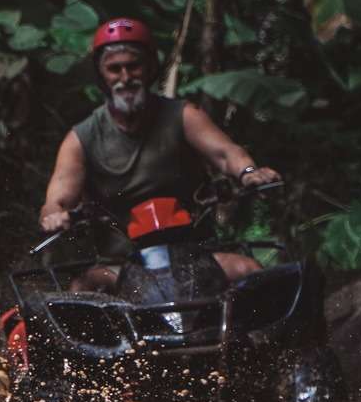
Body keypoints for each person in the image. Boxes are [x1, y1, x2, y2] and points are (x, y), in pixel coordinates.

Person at [38, 17, 281, 285]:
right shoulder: (81, 138)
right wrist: (54, 215)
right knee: (82, 288)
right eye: (114, 69)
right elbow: (58, 198)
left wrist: (249, 172)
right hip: (122, 265)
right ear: (101, 75)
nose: (125, 77)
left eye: (133, 66)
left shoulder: (183, 116)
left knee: (249, 271)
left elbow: (225, 153)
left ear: (150, 67)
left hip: (194, 254)